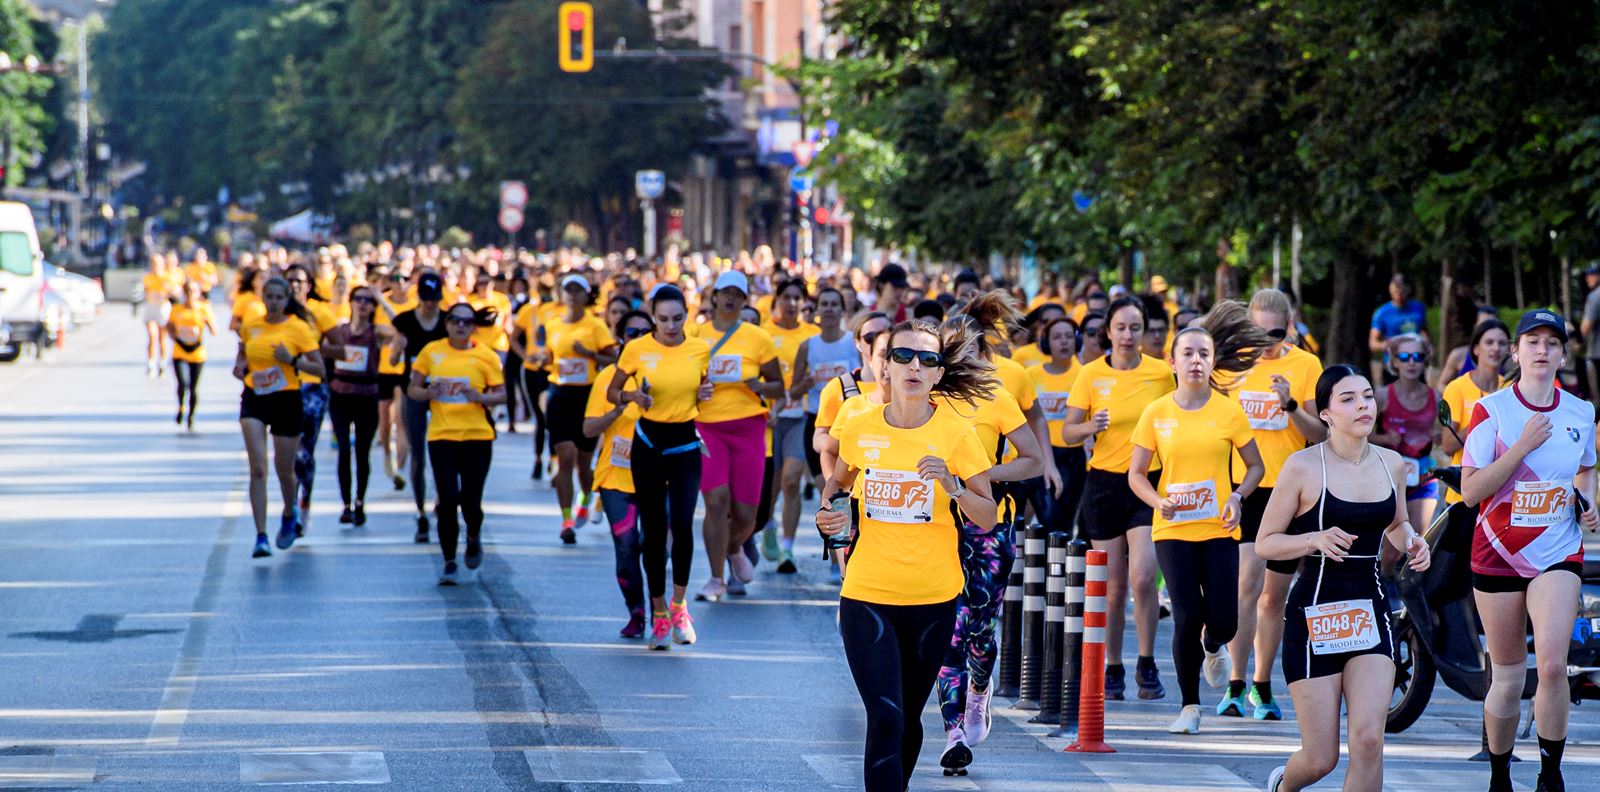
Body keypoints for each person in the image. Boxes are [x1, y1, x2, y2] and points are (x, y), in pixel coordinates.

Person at [817, 318, 998, 792]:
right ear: (885, 365)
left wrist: (953, 486)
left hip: (933, 600)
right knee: (885, 716)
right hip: (867, 595)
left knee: (909, 719)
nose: (914, 366)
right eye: (903, 356)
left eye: (927, 359)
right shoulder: (859, 427)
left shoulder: (957, 433)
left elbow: (988, 517)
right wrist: (828, 517)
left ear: (938, 373)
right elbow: (837, 485)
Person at [1258, 364, 1430, 792]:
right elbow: (1266, 542)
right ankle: (1283, 784)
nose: (1362, 406)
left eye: (1368, 396)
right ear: (1326, 414)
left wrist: (1414, 541)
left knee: (1370, 740)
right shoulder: (1301, 467)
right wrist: (1312, 539)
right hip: (1316, 612)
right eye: (1348, 399)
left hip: (1369, 610)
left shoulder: (1392, 463)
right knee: (1321, 758)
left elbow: (1397, 523)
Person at [1460, 310, 1598, 792]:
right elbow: (1472, 492)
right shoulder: (1492, 410)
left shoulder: (1580, 411)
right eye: (1532, 342)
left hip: (1558, 550)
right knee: (1509, 675)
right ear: (1515, 353)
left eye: (1552, 343)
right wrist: (1519, 448)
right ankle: (1500, 776)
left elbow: (1584, 469)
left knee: (1555, 665)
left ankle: (1551, 775)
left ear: (1562, 354)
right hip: (1497, 554)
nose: (1542, 350)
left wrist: (1588, 502)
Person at [1128, 302, 1269, 734]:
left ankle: (1213, 646)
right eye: (1187, 354)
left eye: (1203, 354)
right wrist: (1157, 500)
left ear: (1213, 362)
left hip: (1220, 527)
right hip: (1172, 528)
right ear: (1171, 362)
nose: (1195, 361)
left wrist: (1238, 497)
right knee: (1187, 613)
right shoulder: (1157, 413)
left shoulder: (1227, 411)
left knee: (1224, 619)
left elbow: (1255, 468)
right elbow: (1135, 474)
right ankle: (1189, 706)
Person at [933, 296, 1048, 774]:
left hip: (989, 525)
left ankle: (981, 687)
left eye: (968, 349)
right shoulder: (927, 398)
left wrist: (985, 475)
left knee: (980, 625)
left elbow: (1034, 460)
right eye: (949, 350)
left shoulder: (998, 397)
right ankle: (953, 732)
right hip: (936, 527)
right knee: (950, 630)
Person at [1219, 289, 1326, 722]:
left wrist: (1291, 406)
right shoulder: (1231, 364)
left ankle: (1261, 685)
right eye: (1258, 334)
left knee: (1273, 597)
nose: (1267, 344)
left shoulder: (1305, 365)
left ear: (1291, 326)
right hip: (1245, 485)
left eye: (1276, 334)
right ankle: (1235, 682)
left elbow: (1318, 433)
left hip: (1289, 490)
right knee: (1247, 584)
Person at [1063, 296, 1176, 699]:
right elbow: (1067, 432)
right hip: (1105, 484)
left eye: (1136, 328)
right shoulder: (1090, 375)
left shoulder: (1163, 374)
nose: (1128, 336)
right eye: (1121, 328)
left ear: (1145, 333)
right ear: (1107, 332)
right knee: (1112, 586)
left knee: (1144, 577)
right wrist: (1090, 425)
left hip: (1148, 481)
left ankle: (1147, 663)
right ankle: (1113, 665)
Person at [608, 285, 711, 650]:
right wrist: (633, 396)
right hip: (648, 444)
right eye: (664, 319)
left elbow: (703, 385)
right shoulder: (636, 349)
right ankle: (659, 615)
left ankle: (679, 607)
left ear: (688, 315)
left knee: (682, 526)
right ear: (653, 316)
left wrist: (705, 393)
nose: (671, 326)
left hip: (684, 443)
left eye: (678, 318)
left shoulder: (699, 348)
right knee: (652, 531)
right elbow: (612, 392)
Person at [689, 271, 783, 600]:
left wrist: (761, 386)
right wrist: (694, 388)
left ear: (745, 300)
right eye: (725, 292)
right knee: (716, 502)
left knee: (746, 515)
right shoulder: (694, 335)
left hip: (748, 429)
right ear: (714, 296)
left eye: (737, 294)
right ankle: (715, 579)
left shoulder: (757, 338)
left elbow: (777, 386)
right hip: (706, 426)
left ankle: (733, 548)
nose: (730, 299)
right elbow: (680, 379)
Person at [407, 301, 507, 585]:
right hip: (442, 435)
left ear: (474, 326)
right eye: (454, 320)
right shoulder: (431, 351)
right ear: (447, 323)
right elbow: (412, 389)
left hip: (477, 436)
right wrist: (428, 392)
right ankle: (449, 560)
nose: (460, 326)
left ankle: (473, 536)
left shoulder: (486, 356)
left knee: (471, 501)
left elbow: (501, 395)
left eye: (466, 321)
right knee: (447, 499)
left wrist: (480, 397)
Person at [234, 276, 325, 557]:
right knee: (258, 468)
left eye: (278, 298)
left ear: (286, 300)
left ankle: (289, 512)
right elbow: (240, 361)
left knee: (284, 469)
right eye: (269, 296)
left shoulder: (298, 328)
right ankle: (260, 535)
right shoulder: (252, 327)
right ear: (263, 298)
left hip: (286, 399)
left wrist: (292, 360)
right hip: (255, 398)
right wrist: (240, 370)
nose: (273, 302)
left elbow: (320, 369)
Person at [584, 310, 654, 639]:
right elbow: (588, 429)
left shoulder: (664, 374)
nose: (637, 337)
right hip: (616, 478)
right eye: (631, 332)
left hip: (658, 476)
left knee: (656, 547)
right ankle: (637, 613)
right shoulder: (607, 379)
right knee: (626, 547)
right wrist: (617, 410)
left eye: (644, 331)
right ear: (620, 339)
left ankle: (663, 612)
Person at [788, 287, 861, 571]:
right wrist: (804, 385)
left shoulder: (851, 344)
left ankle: (850, 548)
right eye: (824, 304)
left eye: (834, 304)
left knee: (856, 491)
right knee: (830, 490)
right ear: (817, 310)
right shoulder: (808, 346)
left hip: (852, 425)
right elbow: (793, 390)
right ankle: (838, 556)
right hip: (818, 424)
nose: (829, 309)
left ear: (842, 310)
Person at [541, 274, 618, 542]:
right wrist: (543, 360)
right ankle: (566, 521)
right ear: (561, 295)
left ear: (587, 296)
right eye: (568, 290)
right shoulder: (551, 325)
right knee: (565, 456)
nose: (572, 295)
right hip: (559, 394)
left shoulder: (595, 326)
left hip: (587, 395)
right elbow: (550, 358)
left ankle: (585, 497)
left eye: (578, 291)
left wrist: (589, 355)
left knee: (584, 464)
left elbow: (614, 357)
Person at [763, 278, 822, 566]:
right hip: (770, 417)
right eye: (786, 297)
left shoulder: (813, 335)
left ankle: (788, 548)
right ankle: (769, 525)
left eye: (797, 298)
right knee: (772, 484)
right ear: (777, 300)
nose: (791, 303)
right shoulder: (764, 333)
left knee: (790, 481)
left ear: (804, 303)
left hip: (800, 416)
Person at [322, 285, 389, 527]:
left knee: (362, 452)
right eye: (358, 299)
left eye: (368, 301)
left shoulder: (376, 333)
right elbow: (321, 350)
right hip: (340, 395)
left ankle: (360, 501)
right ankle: (345, 504)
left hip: (367, 395)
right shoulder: (339, 331)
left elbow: (401, 330)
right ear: (350, 302)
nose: (363, 304)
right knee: (343, 449)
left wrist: (382, 298)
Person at [1372, 333, 1440, 568]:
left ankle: (1407, 594)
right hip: (1390, 478)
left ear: (1424, 362)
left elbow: (1442, 437)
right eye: (1404, 356)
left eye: (1417, 357)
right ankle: (1386, 582)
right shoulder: (1382, 396)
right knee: (1391, 551)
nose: (1411, 362)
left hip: (1423, 476)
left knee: (1415, 541)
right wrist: (1384, 437)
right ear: (1394, 362)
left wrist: (1437, 437)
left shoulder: (1435, 397)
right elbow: (1363, 436)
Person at [392, 273, 451, 542]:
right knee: (418, 452)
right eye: (426, 300)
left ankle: (442, 498)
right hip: (413, 392)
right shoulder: (404, 321)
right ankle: (420, 512)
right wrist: (397, 348)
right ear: (419, 298)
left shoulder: (448, 322)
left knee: (443, 448)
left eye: (435, 300)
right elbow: (393, 361)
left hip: (441, 393)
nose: (430, 305)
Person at [283, 265, 340, 535]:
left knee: (304, 453)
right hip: (282, 389)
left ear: (309, 286)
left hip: (312, 389)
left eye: (300, 281)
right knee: (288, 454)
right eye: (290, 280)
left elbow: (341, 348)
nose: (295, 285)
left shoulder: (320, 312)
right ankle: (290, 505)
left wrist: (312, 349)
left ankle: (303, 502)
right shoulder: (275, 313)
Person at [1027, 316, 1087, 534]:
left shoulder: (1085, 374)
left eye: (1069, 337)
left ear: (1077, 342)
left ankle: (1060, 567)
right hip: (1040, 453)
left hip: (1072, 455)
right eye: (1057, 337)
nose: (1064, 342)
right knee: (1045, 518)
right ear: (1046, 343)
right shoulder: (1030, 375)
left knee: (1064, 523)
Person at [167, 279, 217, 431]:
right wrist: (175, 337)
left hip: (197, 353)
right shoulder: (176, 309)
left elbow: (214, 331)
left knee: (194, 387)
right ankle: (181, 406)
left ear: (198, 293)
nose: (190, 294)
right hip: (180, 351)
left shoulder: (203, 309)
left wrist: (207, 322)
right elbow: (169, 326)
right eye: (187, 291)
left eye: (193, 291)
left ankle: (191, 415)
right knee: (182, 383)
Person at [1368, 274, 1428, 383]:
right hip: (1393, 366)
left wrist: (1426, 344)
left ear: (1408, 289)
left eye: (1402, 291)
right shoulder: (1382, 313)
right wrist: (1387, 345)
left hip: (1415, 363)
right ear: (1390, 290)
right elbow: (1373, 343)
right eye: (1396, 292)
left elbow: (1423, 330)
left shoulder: (1419, 308)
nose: (1399, 295)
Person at [142, 254, 176, 377]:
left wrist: (167, 290)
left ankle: (162, 362)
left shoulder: (167, 277)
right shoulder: (148, 277)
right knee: (152, 335)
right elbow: (146, 291)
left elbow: (174, 292)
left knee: (162, 338)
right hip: (151, 307)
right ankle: (151, 363)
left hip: (162, 308)